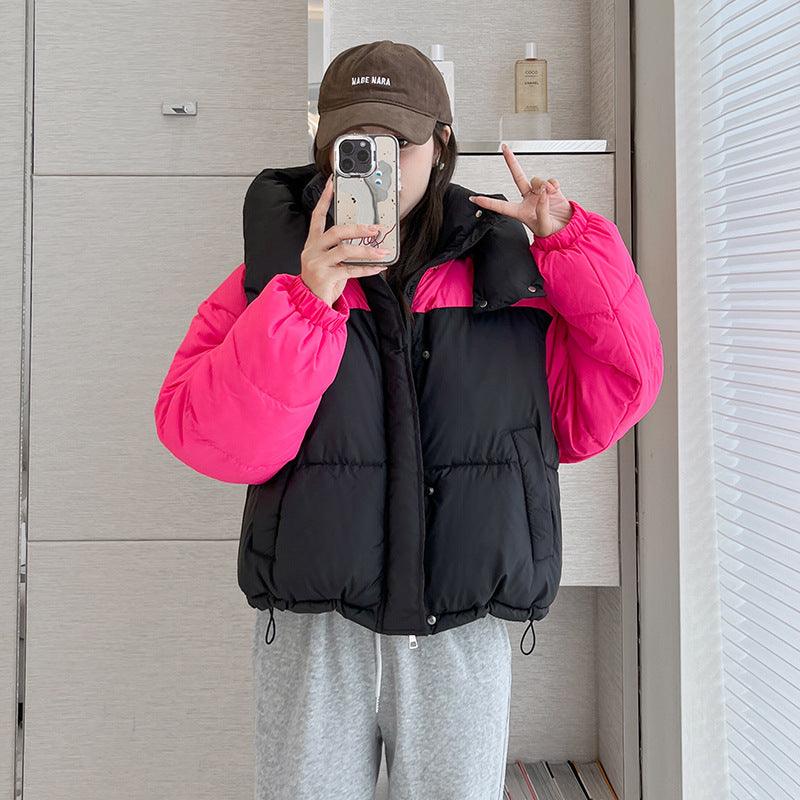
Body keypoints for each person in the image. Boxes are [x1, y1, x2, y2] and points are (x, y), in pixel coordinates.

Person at [154, 40, 663, 800]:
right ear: (326, 153)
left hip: (459, 628)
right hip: (316, 631)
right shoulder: (276, 276)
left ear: (443, 144)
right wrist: (306, 304)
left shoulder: (506, 273)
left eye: (401, 143)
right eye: (356, 145)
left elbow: (622, 384)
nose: (381, 166)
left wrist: (570, 245)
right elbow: (206, 434)